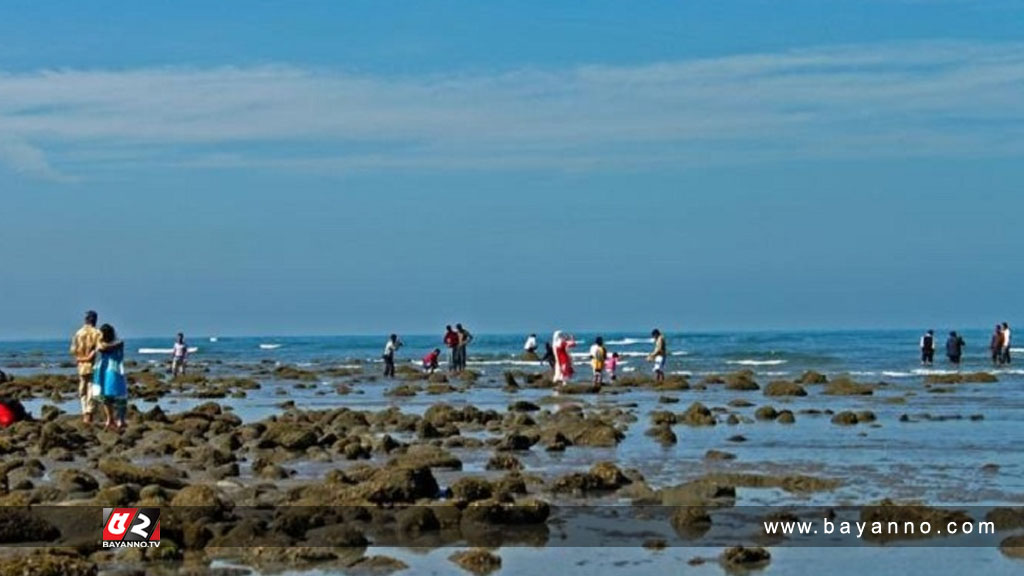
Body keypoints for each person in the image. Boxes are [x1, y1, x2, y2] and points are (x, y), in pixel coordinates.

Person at [69, 310, 102, 423]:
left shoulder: (78, 333)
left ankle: (85, 413)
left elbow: (73, 350)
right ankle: (89, 414)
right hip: (93, 365)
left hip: (81, 365)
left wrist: (80, 358)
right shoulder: (97, 333)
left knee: (82, 390)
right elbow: (99, 349)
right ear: (95, 320)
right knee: (92, 390)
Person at [94, 324, 128, 430]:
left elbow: (103, 347)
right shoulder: (119, 343)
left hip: (104, 370)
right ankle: (120, 420)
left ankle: (110, 419)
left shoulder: (101, 344)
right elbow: (114, 345)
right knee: (120, 396)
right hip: (116, 370)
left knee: (106, 396)